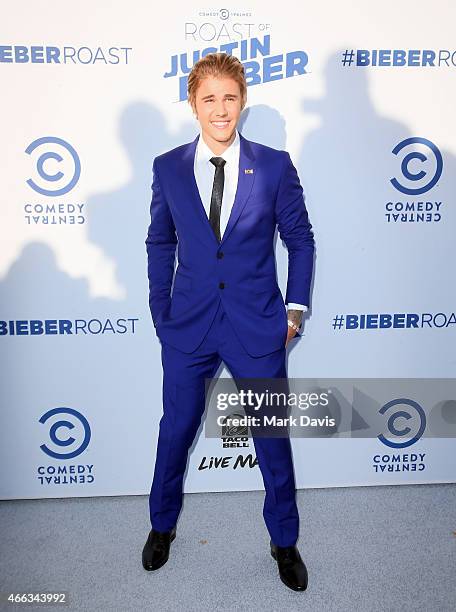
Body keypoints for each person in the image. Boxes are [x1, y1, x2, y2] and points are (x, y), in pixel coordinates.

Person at [142, 52, 315, 592]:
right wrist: (160, 308)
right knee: (175, 432)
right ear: (192, 103)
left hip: (257, 322)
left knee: (271, 436)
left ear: (243, 101)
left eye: (230, 98)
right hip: (189, 324)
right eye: (209, 99)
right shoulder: (168, 166)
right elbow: (159, 240)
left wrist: (295, 307)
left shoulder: (274, 164)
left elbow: (300, 239)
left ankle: (284, 541)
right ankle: (161, 525)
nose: (221, 110)